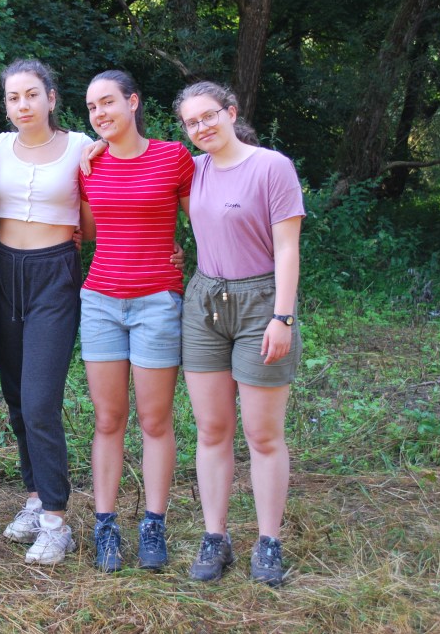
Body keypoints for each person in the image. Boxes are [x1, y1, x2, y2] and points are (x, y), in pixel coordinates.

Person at [174, 81, 303, 587]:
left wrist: (282, 317)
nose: (201, 127)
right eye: (191, 122)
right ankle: (215, 536)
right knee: (212, 430)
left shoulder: (272, 167)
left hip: (260, 304)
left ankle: (268, 541)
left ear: (230, 112)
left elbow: (287, 248)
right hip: (205, 303)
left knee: (263, 434)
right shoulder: (194, 169)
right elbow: (137, 171)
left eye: (209, 115)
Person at [79, 70, 193, 572]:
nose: (99, 113)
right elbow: (84, 232)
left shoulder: (173, 157)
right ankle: (105, 527)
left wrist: (184, 253)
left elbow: (204, 218)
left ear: (133, 102)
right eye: (91, 107)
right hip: (100, 301)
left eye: (107, 102)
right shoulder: (88, 164)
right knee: (108, 420)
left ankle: (153, 524)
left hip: (157, 303)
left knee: (154, 420)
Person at [0, 60, 92, 565]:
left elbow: (98, 213)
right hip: (2, 270)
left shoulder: (81, 147)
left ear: (51, 98)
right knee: (15, 397)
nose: (22, 105)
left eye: (31, 94)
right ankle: (34, 500)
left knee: (39, 400)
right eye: (13, 97)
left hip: (54, 273)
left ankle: (56, 521)